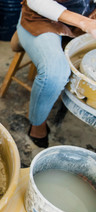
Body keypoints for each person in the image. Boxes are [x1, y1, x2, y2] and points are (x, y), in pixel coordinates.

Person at [17, 0, 96, 148]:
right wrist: (85, 24)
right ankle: (37, 124)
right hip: (42, 17)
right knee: (55, 73)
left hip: (88, 13)